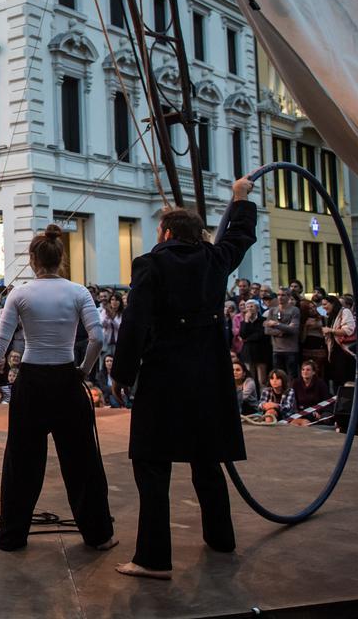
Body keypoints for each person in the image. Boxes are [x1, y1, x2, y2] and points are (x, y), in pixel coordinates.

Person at [110, 176, 257, 580]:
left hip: (163, 377)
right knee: (207, 459)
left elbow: (135, 323)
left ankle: (154, 558)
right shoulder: (215, 259)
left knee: (152, 463)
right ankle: (221, 536)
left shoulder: (151, 264)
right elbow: (243, 234)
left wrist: (122, 373)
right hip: (208, 375)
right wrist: (240, 197)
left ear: (168, 232)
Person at [0, 224, 115, 553]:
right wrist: (82, 371)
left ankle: (11, 536)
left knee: (22, 463)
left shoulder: (20, 294)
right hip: (65, 379)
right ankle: (99, 535)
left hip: (31, 381)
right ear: (61, 258)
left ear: (32, 259)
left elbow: (0, 344)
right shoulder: (78, 292)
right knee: (82, 459)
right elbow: (98, 338)